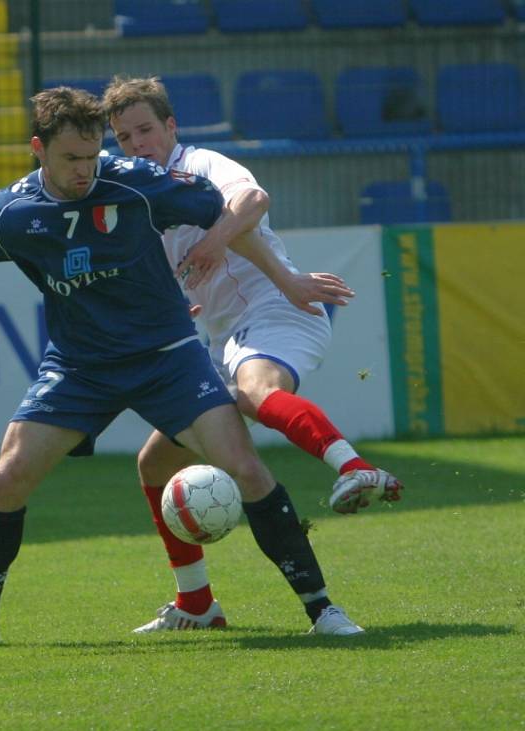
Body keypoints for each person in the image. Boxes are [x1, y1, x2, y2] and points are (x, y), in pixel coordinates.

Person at [0, 87, 361, 652]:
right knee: (9, 477)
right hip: (80, 367)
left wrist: (286, 278)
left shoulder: (135, 183)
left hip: (167, 357)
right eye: (72, 158)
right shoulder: (11, 213)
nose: (85, 170)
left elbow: (231, 213)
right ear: (38, 150)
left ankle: (322, 608)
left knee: (246, 466)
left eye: (93, 156)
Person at [103, 75, 403, 633]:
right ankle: (196, 604)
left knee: (257, 392)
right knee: (154, 462)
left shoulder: (201, 165)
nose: (137, 143)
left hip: (277, 312)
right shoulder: (139, 197)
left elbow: (253, 200)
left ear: (171, 127)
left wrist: (227, 246)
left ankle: (356, 469)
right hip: (223, 339)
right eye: (124, 137)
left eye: (145, 129)